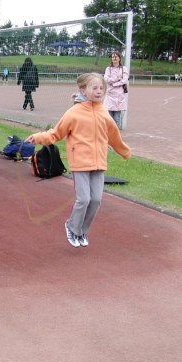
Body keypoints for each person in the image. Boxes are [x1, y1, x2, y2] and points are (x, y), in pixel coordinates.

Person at [25, 73, 131, 248]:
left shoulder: (104, 113)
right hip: (80, 163)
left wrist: (124, 152)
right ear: (83, 89)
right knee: (84, 199)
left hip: (99, 163)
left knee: (96, 200)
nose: (99, 92)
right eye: (94, 88)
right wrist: (37, 137)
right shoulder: (73, 113)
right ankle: (72, 226)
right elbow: (56, 133)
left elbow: (114, 136)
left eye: (101, 89)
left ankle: (82, 231)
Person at [103, 51, 129, 129]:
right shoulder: (108, 68)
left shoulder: (123, 68)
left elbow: (124, 80)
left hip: (118, 95)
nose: (114, 58)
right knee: (109, 116)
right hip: (109, 94)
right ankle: (109, 134)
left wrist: (114, 84)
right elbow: (106, 79)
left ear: (119, 58)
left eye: (116, 56)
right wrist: (117, 79)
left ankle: (116, 135)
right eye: (113, 56)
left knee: (117, 118)